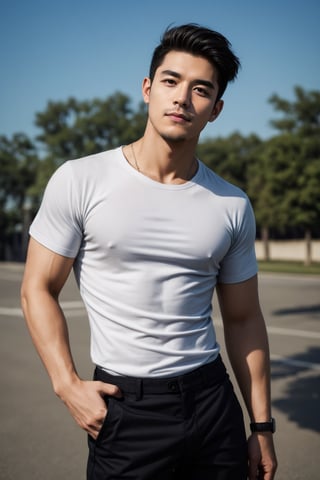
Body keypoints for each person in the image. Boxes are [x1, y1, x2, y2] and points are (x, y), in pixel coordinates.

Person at [21, 23, 277, 480]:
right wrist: (67, 385)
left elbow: (243, 319)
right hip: (127, 409)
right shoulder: (80, 180)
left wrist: (261, 426)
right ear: (147, 88)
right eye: (171, 81)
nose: (182, 98)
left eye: (200, 89)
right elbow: (38, 288)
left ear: (215, 109)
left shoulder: (232, 203)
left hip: (212, 402)